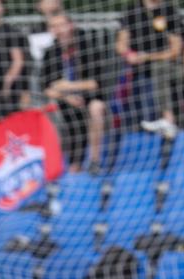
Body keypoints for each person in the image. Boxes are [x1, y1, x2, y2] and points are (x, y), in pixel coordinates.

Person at [41, 13, 109, 173]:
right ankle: (68, 164)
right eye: (54, 26)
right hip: (65, 101)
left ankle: (94, 161)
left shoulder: (87, 48)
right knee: (56, 113)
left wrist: (68, 86)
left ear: (70, 26)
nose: (59, 30)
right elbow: (47, 88)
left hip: (89, 98)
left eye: (62, 25)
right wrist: (66, 96)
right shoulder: (50, 53)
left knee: (96, 108)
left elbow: (95, 83)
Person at [116, 0, 184, 140]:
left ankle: (168, 122)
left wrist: (148, 57)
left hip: (167, 69)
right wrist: (129, 55)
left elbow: (175, 50)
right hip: (138, 71)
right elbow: (120, 45)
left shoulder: (169, 10)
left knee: (158, 69)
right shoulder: (132, 10)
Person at [0, 0, 29, 119]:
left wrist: (7, 83)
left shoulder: (11, 32)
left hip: (7, 91)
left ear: (2, 8)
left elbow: (18, 61)